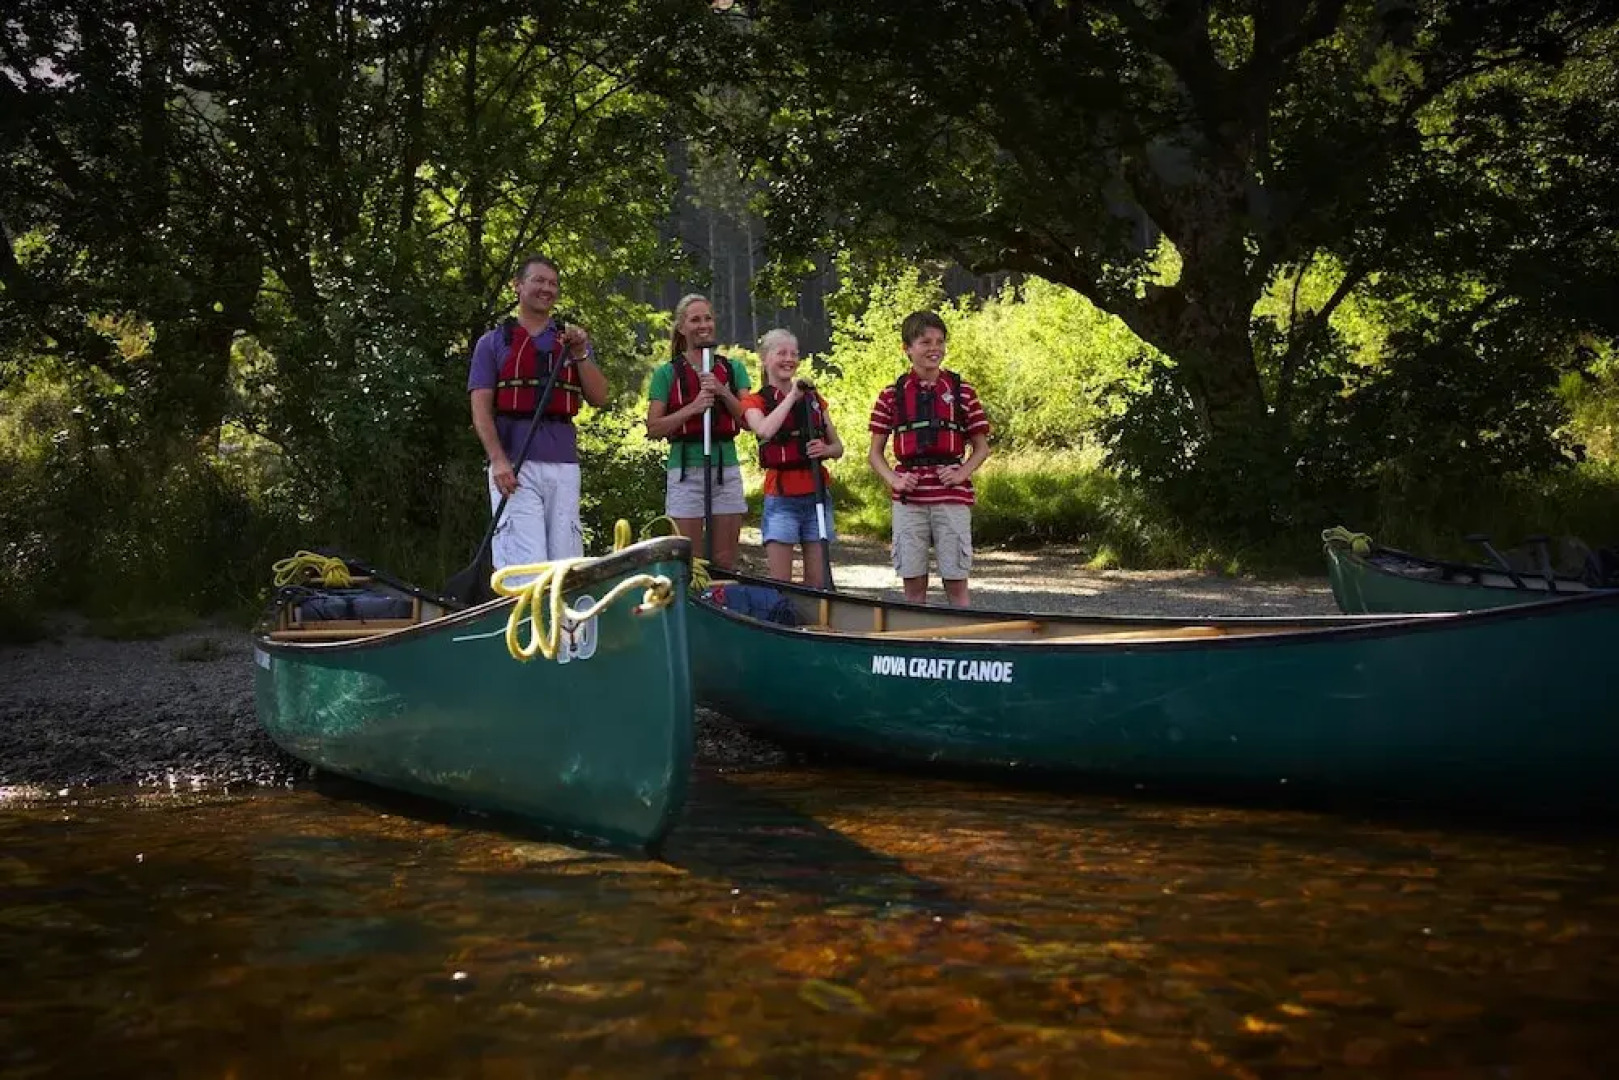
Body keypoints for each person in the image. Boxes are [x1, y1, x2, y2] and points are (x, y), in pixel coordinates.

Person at [466, 254, 608, 568]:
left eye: (553, 283)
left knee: (566, 563)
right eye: (539, 281)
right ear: (517, 286)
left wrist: (581, 353)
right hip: (514, 465)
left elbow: (599, 397)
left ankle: (567, 619)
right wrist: (498, 460)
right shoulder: (492, 343)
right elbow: (480, 410)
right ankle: (526, 617)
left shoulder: (570, 342)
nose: (547, 288)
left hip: (564, 463)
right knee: (525, 562)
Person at [867, 310, 991, 607]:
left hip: (952, 498)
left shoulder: (962, 391)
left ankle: (960, 645)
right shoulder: (891, 395)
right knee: (913, 585)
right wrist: (895, 479)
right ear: (907, 348)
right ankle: (914, 644)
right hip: (910, 500)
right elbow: (875, 454)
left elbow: (981, 447)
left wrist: (961, 474)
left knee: (956, 581)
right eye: (925, 342)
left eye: (939, 341)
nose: (934, 348)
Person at [645, 294, 751, 568]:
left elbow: (749, 422)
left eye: (708, 318)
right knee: (689, 561)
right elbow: (654, 428)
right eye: (695, 320)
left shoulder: (733, 368)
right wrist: (692, 408)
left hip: (724, 468)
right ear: (682, 328)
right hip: (684, 473)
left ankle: (720, 603)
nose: (703, 325)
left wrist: (722, 391)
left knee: (725, 560)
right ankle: (691, 606)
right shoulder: (666, 374)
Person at [740, 329, 844, 588]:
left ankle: (818, 626)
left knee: (818, 582)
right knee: (780, 582)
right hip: (781, 498)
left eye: (794, 354)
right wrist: (792, 397)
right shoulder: (754, 401)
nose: (789, 359)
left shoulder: (814, 399)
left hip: (816, 495)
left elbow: (838, 447)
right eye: (782, 353)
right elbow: (763, 429)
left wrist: (824, 450)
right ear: (765, 358)